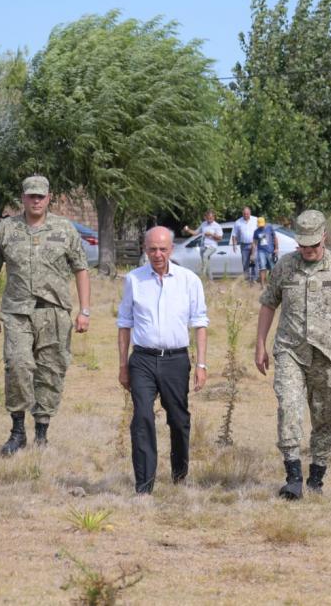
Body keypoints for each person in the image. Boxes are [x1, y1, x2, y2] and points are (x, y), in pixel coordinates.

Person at [255, 210, 331, 499]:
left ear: (324, 238)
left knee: (324, 418)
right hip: (290, 352)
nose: (308, 251)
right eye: (303, 246)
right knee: (289, 408)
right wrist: (260, 344)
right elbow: (268, 304)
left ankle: (316, 477)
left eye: (313, 246)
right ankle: (293, 477)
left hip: (329, 356)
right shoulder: (285, 267)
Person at [0, 175, 91, 454]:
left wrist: (85, 311)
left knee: (51, 371)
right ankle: (17, 431)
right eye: (31, 195)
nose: (35, 200)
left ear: (48, 197)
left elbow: (81, 268)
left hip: (54, 312)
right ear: (23, 198)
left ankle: (42, 430)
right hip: (17, 312)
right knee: (17, 366)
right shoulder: (6, 229)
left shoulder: (64, 229)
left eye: (40, 196)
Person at [117, 226, 208, 494]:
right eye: (152, 249)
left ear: (172, 249)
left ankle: (180, 472)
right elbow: (124, 323)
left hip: (176, 360)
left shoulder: (189, 280)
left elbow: (200, 323)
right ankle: (144, 486)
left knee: (178, 420)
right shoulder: (133, 280)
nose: (157, 254)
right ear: (145, 249)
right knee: (142, 417)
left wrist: (201, 365)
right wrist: (123, 365)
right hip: (142, 359)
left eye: (163, 249)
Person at [183, 210, 223, 280]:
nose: (209, 220)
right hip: (203, 245)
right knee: (207, 263)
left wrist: (211, 234)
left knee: (205, 255)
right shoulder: (204, 224)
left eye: (211, 218)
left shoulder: (217, 226)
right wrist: (188, 230)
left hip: (212, 246)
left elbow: (220, 238)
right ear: (206, 217)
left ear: (214, 217)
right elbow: (196, 233)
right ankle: (211, 281)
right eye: (208, 218)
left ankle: (202, 276)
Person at [231, 206, 258, 282]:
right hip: (244, 245)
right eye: (244, 214)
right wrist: (234, 245)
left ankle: (254, 279)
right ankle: (246, 279)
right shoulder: (238, 222)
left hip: (254, 244)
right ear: (242, 214)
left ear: (250, 213)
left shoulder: (255, 220)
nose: (246, 215)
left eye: (247, 214)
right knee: (245, 263)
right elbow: (234, 234)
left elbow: (261, 230)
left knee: (254, 261)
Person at [250, 216, 279, 286]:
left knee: (272, 268)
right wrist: (252, 254)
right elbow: (254, 243)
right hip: (261, 251)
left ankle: (272, 284)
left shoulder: (269, 227)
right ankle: (262, 285)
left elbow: (275, 238)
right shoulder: (256, 232)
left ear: (265, 223)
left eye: (262, 225)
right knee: (262, 267)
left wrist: (276, 248)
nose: (261, 227)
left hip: (270, 251)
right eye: (260, 225)